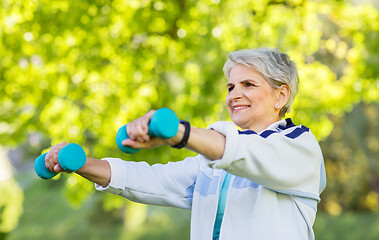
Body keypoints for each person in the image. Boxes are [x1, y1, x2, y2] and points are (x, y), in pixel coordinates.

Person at [45, 47, 326, 240]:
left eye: (248, 85)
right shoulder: (215, 165)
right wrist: (81, 164)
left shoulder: (299, 147)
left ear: (281, 96)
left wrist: (177, 133)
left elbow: (242, 152)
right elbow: (152, 179)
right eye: (231, 87)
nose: (234, 95)